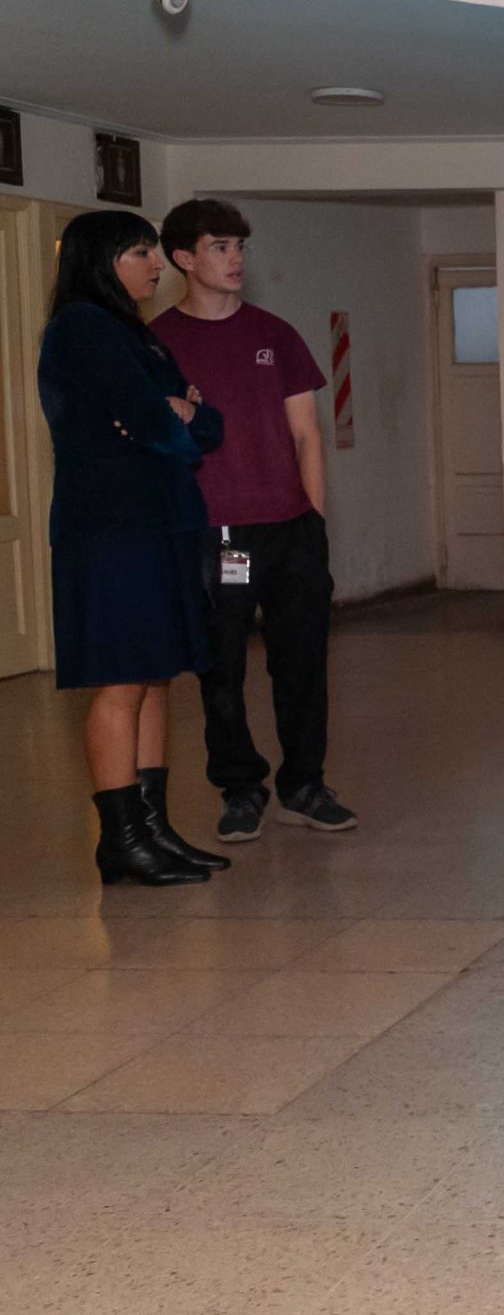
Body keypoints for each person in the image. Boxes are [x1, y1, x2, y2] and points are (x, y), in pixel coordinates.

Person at [149, 199, 357, 842]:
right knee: (222, 668)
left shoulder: (276, 334)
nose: (235, 258)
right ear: (184, 258)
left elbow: (307, 435)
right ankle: (241, 788)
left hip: (291, 530)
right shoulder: (159, 342)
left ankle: (304, 785)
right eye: (220, 247)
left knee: (302, 663)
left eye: (240, 246)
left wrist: (313, 520)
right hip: (216, 536)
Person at [37, 211, 229, 886]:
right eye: (141, 252)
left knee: (155, 674)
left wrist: (181, 412)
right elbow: (155, 421)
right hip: (112, 529)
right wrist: (171, 412)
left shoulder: (135, 332)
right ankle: (120, 841)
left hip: (159, 521)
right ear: (102, 260)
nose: (156, 264)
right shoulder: (82, 326)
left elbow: (207, 426)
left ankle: (153, 829)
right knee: (122, 679)